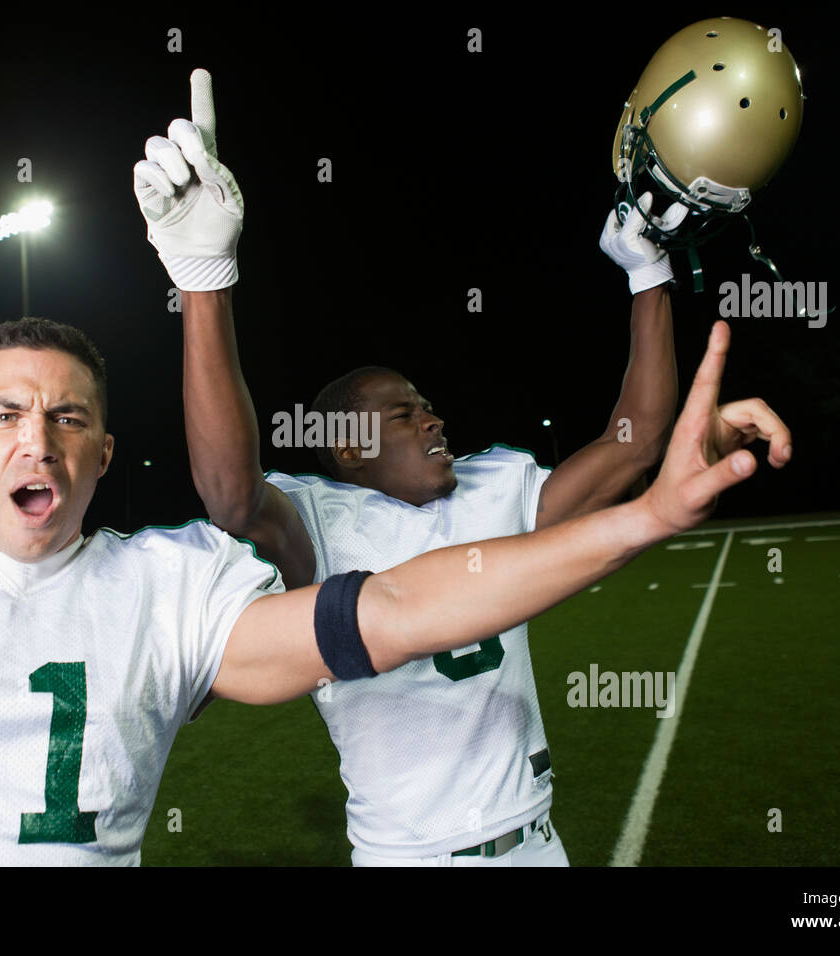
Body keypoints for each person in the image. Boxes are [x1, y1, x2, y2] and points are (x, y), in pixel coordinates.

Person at [133, 69, 793, 865]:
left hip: (537, 842)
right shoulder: (314, 524)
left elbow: (635, 443)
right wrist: (205, 283)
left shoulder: (497, 486)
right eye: (404, 413)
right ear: (349, 446)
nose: (433, 418)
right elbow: (229, 490)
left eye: (429, 405)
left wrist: (646, 274)